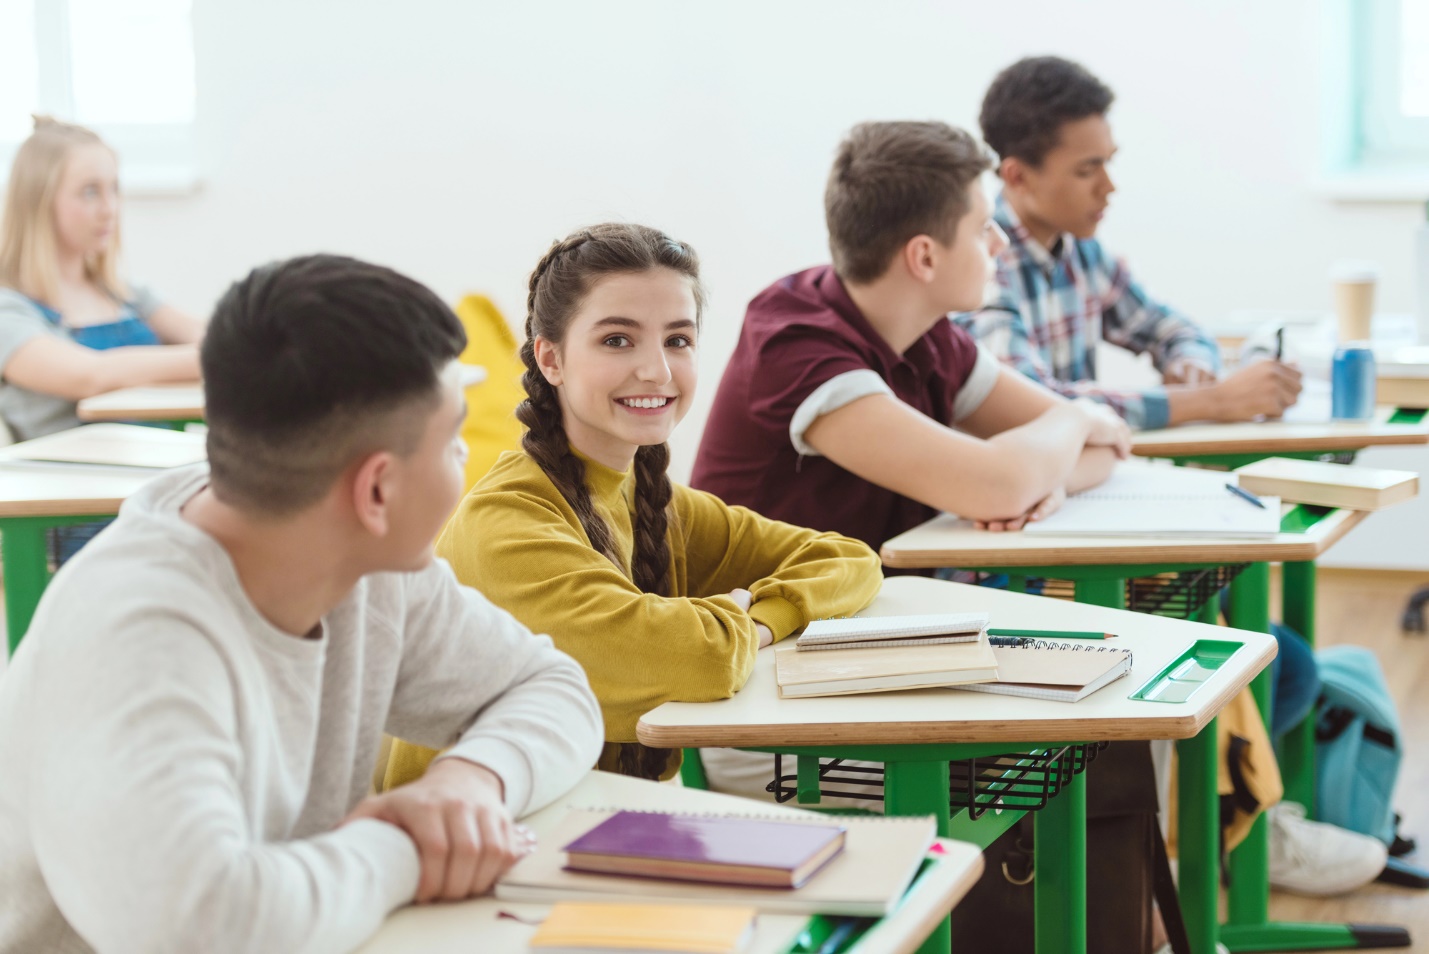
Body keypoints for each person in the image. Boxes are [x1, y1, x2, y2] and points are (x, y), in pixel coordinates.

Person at [0, 254, 604, 953]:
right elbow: (201, 927)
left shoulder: (370, 567)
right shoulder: (138, 635)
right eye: (453, 442)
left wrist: (468, 785)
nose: (465, 461)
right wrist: (403, 849)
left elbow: (551, 687)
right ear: (375, 492)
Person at [383, 222, 882, 791]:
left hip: (594, 819)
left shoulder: (653, 499)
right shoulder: (507, 526)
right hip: (469, 846)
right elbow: (700, 660)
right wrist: (731, 623)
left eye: (678, 339)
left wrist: (756, 621)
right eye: (617, 340)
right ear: (551, 359)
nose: (657, 370)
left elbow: (848, 559)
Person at [691, 119, 1130, 551]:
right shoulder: (794, 346)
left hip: (874, 608)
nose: (1000, 243)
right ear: (924, 257)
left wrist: (1044, 479)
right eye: (982, 229)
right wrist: (1078, 416)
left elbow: (1106, 449)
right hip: (758, 618)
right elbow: (1002, 485)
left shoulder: (930, 335)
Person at [953, 56, 1302, 430]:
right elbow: (1037, 406)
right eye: (1087, 170)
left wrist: (1190, 364)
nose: (1109, 187)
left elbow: (1175, 329)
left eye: (1108, 163)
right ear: (1017, 176)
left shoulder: (1080, 251)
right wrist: (1210, 400)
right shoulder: (983, 267)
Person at [0, 116, 203, 442]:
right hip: (77, 485)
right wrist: (219, 356)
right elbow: (91, 376)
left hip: (158, 466)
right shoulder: (8, 311)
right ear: (38, 203)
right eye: (90, 192)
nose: (110, 209)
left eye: (114, 189)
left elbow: (204, 333)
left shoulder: (123, 294)